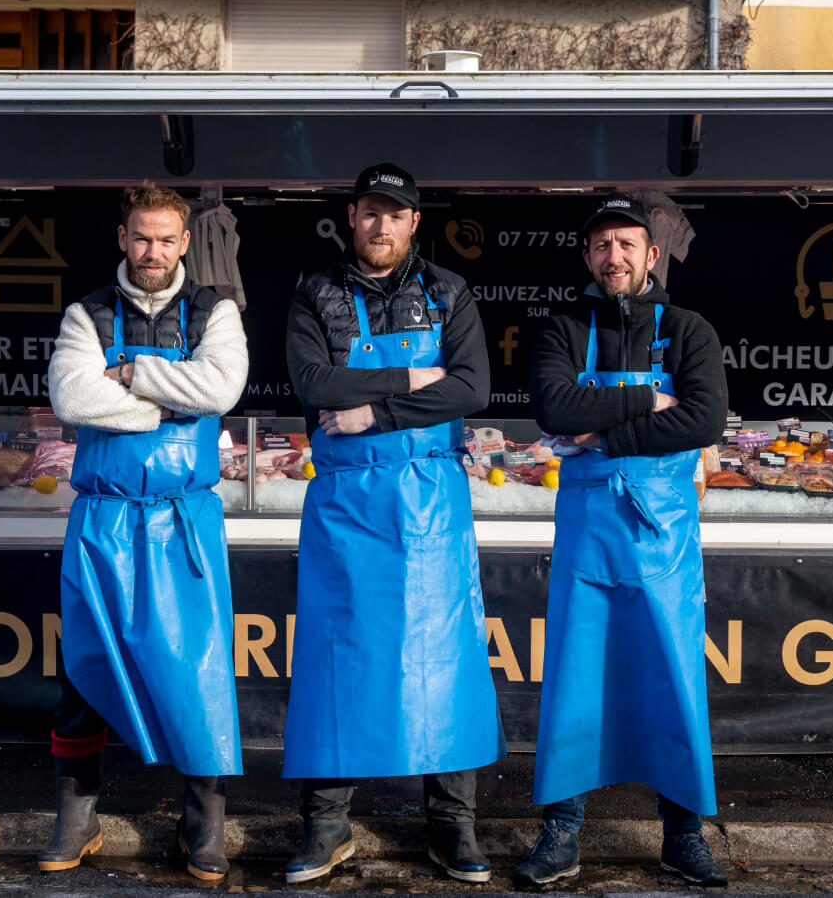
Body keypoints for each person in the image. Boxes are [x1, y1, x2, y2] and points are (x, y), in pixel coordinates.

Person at [279, 163, 503, 884]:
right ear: (352, 217)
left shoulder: (448, 291)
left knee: (447, 662)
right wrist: (415, 378)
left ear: (414, 223)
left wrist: (373, 409)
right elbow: (314, 384)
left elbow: (473, 385)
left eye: (396, 214)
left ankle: (452, 825)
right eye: (371, 213)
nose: (382, 226)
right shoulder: (315, 292)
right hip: (345, 505)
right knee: (334, 660)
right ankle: (326, 825)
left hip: (430, 503)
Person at [519, 194, 730, 888]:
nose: (614, 256)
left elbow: (702, 421)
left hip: (664, 535)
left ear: (651, 254)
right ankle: (561, 830)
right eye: (602, 245)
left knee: (673, 675)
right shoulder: (560, 328)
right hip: (587, 535)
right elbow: (554, 408)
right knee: (575, 678)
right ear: (588, 257)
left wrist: (604, 433)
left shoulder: (691, 329)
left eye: (627, 244)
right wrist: (647, 400)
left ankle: (683, 833)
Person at [43, 182, 249, 881]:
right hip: (101, 522)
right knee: (83, 672)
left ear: (185, 241)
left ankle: (203, 827)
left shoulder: (215, 312)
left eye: (166, 238)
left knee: (199, 673)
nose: (153, 250)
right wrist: (168, 405)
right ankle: (78, 821)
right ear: (121, 239)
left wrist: (128, 376)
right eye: (141, 237)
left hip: (182, 522)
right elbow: (72, 396)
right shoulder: (87, 313)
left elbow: (220, 391)